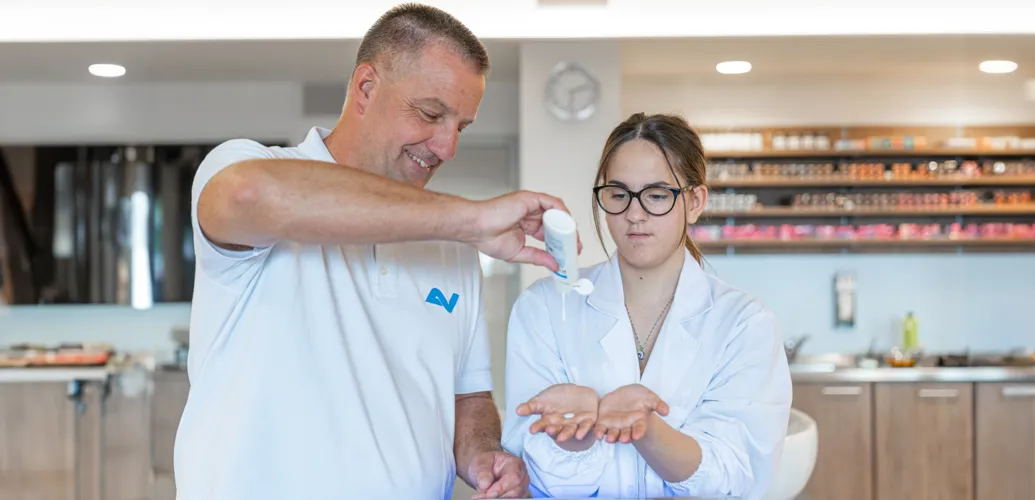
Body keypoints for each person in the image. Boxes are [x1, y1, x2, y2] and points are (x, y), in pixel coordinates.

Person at [174, 4, 561, 499]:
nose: (447, 147)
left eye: (460, 127)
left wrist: (484, 455)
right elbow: (247, 196)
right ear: (366, 88)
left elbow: (468, 396)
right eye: (430, 114)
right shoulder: (248, 165)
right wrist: (472, 219)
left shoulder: (452, 240)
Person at [500, 113, 793, 499]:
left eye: (656, 195)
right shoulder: (544, 307)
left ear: (694, 202)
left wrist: (648, 430)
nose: (634, 215)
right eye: (618, 195)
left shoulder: (744, 323)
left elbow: (737, 475)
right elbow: (531, 477)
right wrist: (572, 437)